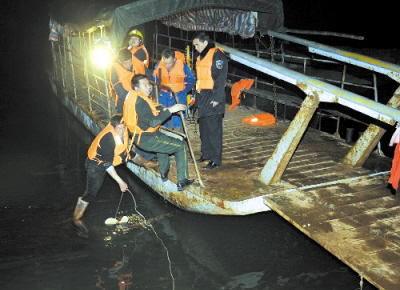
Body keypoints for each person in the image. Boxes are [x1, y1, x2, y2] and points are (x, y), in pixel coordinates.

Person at [123, 74, 195, 191]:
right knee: (180, 146)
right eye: (145, 85)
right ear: (136, 88)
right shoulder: (140, 102)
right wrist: (171, 110)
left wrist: (165, 109)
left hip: (143, 136)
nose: (149, 87)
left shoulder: (136, 97)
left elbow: (152, 110)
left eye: (149, 84)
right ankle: (182, 180)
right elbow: (153, 122)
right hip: (147, 138)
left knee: (164, 144)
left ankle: (164, 173)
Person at [73, 114, 129, 223]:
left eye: (124, 128)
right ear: (112, 127)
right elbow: (107, 165)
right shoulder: (108, 139)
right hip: (95, 166)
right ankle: (76, 217)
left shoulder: (120, 131)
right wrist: (120, 182)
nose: (122, 131)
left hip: (105, 160)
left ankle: (148, 163)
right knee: (91, 193)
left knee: (132, 154)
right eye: (119, 129)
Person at [109, 48, 157, 168]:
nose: (129, 64)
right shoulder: (115, 69)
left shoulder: (137, 63)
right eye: (126, 62)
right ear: (121, 61)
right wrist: (134, 98)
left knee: (141, 126)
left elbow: (148, 76)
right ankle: (122, 151)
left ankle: (146, 155)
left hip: (139, 101)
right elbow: (118, 89)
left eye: (130, 61)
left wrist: (150, 88)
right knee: (126, 127)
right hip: (125, 103)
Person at [192, 32, 228, 170]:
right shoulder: (200, 56)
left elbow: (220, 78)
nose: (196, 48)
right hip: (202, 95)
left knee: (214, 129)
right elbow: (199, 78)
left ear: (205, 43)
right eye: (194, 45)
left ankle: (215, 159)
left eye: (197, 45)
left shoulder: (217, 55)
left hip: (213, 94)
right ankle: (206, 154)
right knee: (204, 128)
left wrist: (217, 99)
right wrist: (195, 94)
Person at [153, 48, 195, 130]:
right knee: (163, 119)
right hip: (163, 96)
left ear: (174, 59)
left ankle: (179, 138)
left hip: (178, 96)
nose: (166, 65)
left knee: (178, 121)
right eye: (164, 63)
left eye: (169, 63)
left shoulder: (183, 67)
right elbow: (156, 82)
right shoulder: (158, 66)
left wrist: (184, 90)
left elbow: (191, 80)